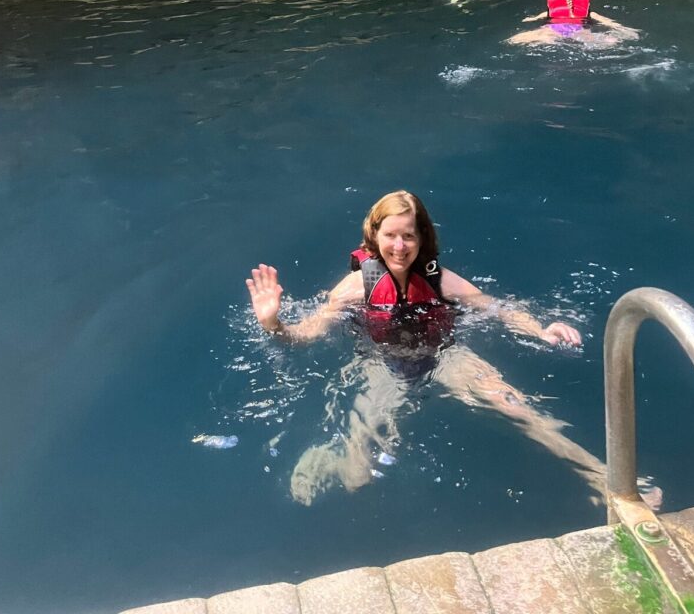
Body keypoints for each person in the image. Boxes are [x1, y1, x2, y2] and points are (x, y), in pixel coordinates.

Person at [246, 191, 614, 506]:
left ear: (422, 238)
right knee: (358, 477)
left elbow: (498, 309)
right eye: (391, 235)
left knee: (516, 407)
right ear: (375, 236)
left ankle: (603, 478)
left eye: (408, 236)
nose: (399, 246)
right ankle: (333, 458)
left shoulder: (440, 280)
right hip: (382, 366)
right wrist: (273, 324)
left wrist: (540, 330)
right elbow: (307, 334)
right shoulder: (355, 288)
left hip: (444, 356)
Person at [507, 0, 640, 47]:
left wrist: (530, 19)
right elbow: (608, 22)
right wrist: (623, 29)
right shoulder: (590, 13)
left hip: (554, 29)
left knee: (514, 40)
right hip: (579, 30)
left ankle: (548, 40)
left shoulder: (548, 11)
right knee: (609, 41)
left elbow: (533, 18)